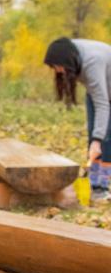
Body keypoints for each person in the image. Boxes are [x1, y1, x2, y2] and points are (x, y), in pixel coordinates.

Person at [44, 37, 111, 198]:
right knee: (93, 132)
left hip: (106, 88)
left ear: (68, 61)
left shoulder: (92, 63)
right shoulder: (69, 51)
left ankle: (103, 186)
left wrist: (97, 139)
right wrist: (94, 138)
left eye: (58, 67)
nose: (58, 71)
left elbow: (103, 104)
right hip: (99, 87)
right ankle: (93, 181)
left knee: (105, 137)